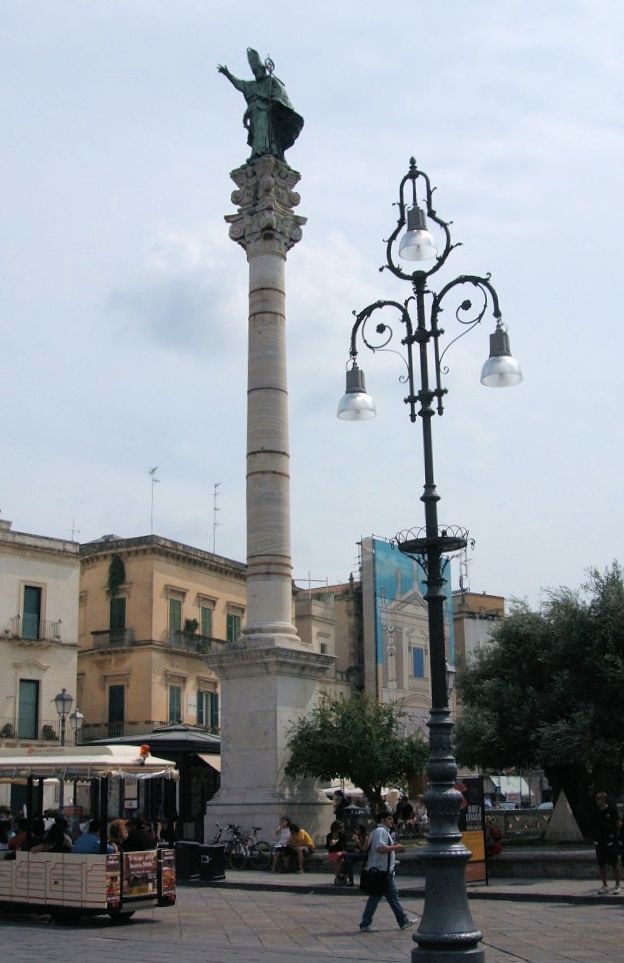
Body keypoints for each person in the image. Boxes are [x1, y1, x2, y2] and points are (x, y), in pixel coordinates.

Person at [218, 48, 304, 162]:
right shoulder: (252, 85)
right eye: (254, 72)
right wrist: (228, 74)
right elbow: (240, 84)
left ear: (262, 69)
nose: (255, 74)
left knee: (264, 132)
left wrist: (275, 103)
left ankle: (267, 151)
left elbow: (280, 94)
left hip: (266, 112)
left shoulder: (272, 82)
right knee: (258, 133)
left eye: (257, 71)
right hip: (255, 113)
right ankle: (257, 152)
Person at [359, 807, 417, 932]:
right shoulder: (381, 831)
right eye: (390, 818)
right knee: (383, 897)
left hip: (383, 870)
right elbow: (380, 848)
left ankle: (402, 920)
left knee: (386, 897)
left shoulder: (379, 831)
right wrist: (396, 847)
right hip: (382, 871)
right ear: (383, 820)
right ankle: (401, 921)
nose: (392, 821)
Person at [592, 791, 621, 894]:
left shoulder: (612, 811)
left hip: (610, 841)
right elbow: (593, 826)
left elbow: (617, 825)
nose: (597, 801)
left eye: (599, 798)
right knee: (601, 865)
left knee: (614, 864)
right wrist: (595, 840)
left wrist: (614, 839)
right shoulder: (596, 812)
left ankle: (617, 884)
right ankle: (604, 885)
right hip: (599, 842)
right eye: (596, 799)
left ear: (604, 799)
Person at [326, 820, 349, 886]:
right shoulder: (329, 836)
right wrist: (331, 844)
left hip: (341, 853)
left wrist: (339, 840)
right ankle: (338, 878)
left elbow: (345, 846)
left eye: (342, 827)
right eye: (340, 827)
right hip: (333, 853)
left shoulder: (343, 836)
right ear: (336, 828)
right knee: (338, 860)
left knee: (342, 860)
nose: (342, 829)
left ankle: (339, 878)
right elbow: (328, 847)